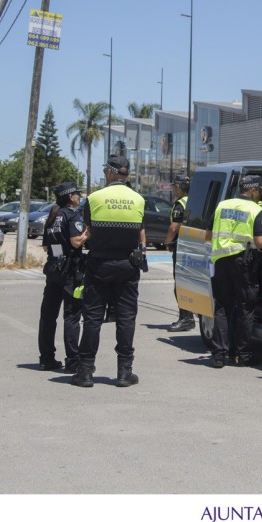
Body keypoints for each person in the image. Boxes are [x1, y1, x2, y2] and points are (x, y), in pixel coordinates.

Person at [72, 155, 147, 388]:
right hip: (127, 265)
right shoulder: (138, 200)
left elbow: (88, 230)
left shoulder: (94, 198)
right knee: (126, 318)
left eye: (106, 170)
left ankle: (85, 372)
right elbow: (140, 233)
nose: (105, 173)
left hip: (99, 264)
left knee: (93, 318)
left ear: (112, 172)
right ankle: (124, 372)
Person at [207, 175, 262, 369]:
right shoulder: (256, 209)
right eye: (258, 191)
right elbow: (260, 242)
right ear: (252, 190)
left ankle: (218, 356)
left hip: (220, 261)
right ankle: (243, 356)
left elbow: (208, 236)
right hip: (243, 263)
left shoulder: (221, 206)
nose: (259, 194)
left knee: (222, 307)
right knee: (245, 307)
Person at [38, 181, 89, 373]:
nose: (80, 197)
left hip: (53, 268)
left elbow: (45, 245)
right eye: (77, 194)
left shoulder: (52, 215)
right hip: (70, 271)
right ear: (70, 196)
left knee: (48, 316)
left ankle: (46, 358)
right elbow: (76, 242)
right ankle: (73, 361)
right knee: (72, 315)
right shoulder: (71, 215)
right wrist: (87, 234)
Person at [166, 176, 195, 332]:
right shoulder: (193, 200)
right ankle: (187, 317)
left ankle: (186, 318)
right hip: (191, 245)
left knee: (180, 282)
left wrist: (167, 242)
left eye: (174, 186)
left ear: (179, 187)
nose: (173, 189)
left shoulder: (180, 204)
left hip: (181, 246)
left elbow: (173, 228)